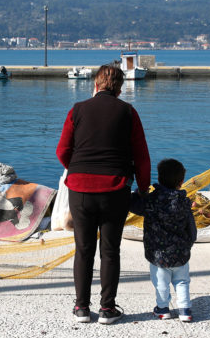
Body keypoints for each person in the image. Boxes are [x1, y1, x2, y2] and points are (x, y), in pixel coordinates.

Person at [56, 64, 151, 325]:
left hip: (80, 190)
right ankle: (107, 309)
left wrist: (77, 170)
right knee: (110, 250)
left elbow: (62, 151)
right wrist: (143, 189)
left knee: (83, 249)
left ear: (95, 85)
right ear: (120, 89)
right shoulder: (129, 112)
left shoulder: (77, 110)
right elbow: (142, 158)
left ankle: (81, 308)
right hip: (115, 190)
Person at [129, 159, 196, 322]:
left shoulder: (151, 201)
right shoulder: (184, 203)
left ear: (158, 179)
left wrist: (138, 193)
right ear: (181, 182)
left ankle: (163, 308)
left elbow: (131, 204)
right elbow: (192, 230)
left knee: (161, 283)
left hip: (157, 253)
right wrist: (188, 245)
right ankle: (185, 310)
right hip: (180, 252)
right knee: (182, 281)